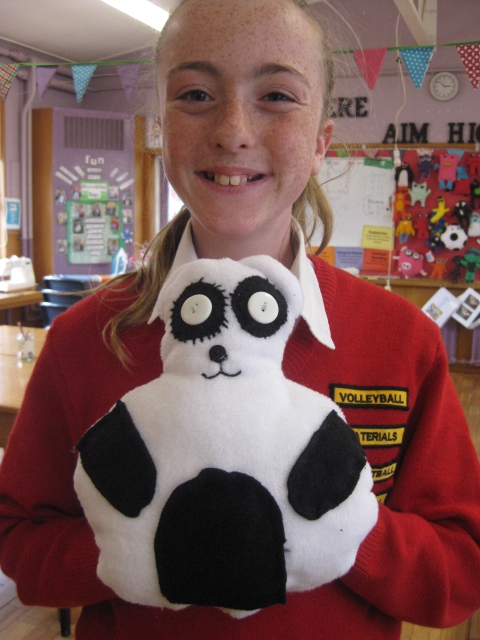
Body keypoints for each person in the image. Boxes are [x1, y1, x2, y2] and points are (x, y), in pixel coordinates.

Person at [1, 0, 480, 638]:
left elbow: (459, 571)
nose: (232, 131)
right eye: (196, 94)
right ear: (160, 130)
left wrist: (341, 529)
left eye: (277, 95)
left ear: (320, 143)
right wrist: (136, 547)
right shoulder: (83, 339)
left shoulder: (401, 340)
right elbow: (20, 540)